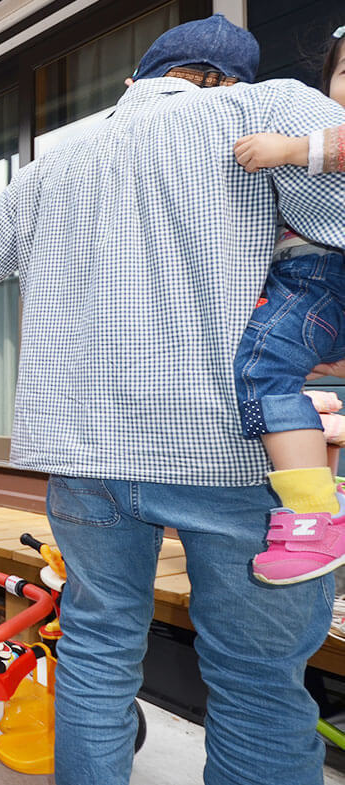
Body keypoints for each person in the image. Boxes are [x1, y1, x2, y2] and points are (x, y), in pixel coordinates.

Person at [0, 14, 345, 785]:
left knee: (97, 650)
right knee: (253, 680)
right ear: (229, 80)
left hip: (86, 453)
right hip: (228, 446)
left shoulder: (55, 161)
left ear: (132, 82)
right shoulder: (265, 108)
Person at [219, 26, 345, 585]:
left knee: (265, 369)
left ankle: (315, 517)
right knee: (285, 380)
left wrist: (291, 148)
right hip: (312, 273)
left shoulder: (307, 146)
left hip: (324, 270)